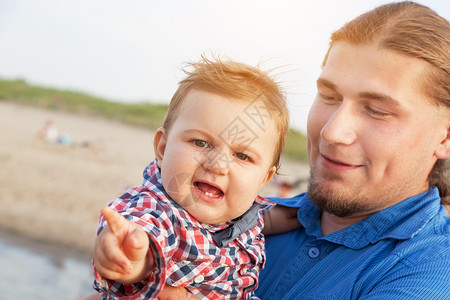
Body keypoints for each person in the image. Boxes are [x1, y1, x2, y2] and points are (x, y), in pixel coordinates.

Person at [155, 1, 450, 299]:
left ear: (445, 137)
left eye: (376, 110)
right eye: (329, 96)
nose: (332, 132)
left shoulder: (432, 273)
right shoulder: (240, 210)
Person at [90, 55, 300, 299]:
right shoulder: (159, 209)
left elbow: (262, 220)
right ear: (162, 148)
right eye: (201, 142)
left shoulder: (243, 212)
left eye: (242, 156)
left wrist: (304, 216)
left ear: (264, 178)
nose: (217, 165)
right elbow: (145, 234)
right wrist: (132, 257)